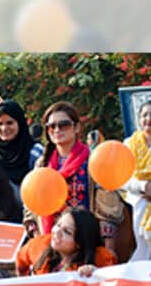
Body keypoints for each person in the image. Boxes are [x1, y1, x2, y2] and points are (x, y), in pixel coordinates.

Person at [27, 101, 124, 252]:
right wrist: (38, 240)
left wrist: (108, 249)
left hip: (86, 241)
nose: (57, 130)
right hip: (50, 241)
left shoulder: (94, 161)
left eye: (64, 125)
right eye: (52, 126)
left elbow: (108, 208)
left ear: (77, 127)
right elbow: (31, 204)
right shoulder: (42, 165)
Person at [122, 100, 151, 261]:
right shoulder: (129, 144)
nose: (148, 119)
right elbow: (121, 177)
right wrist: (144, 186)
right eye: (144, 115)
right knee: (138, 247)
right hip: (135, 201)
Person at [15, 207, 117, 276]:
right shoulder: (39, 244)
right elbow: (20, 261)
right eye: (58, 225)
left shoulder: (101, 259)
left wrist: (97, 275)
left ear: (79, 244)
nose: (57, 232)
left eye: (67, 232)